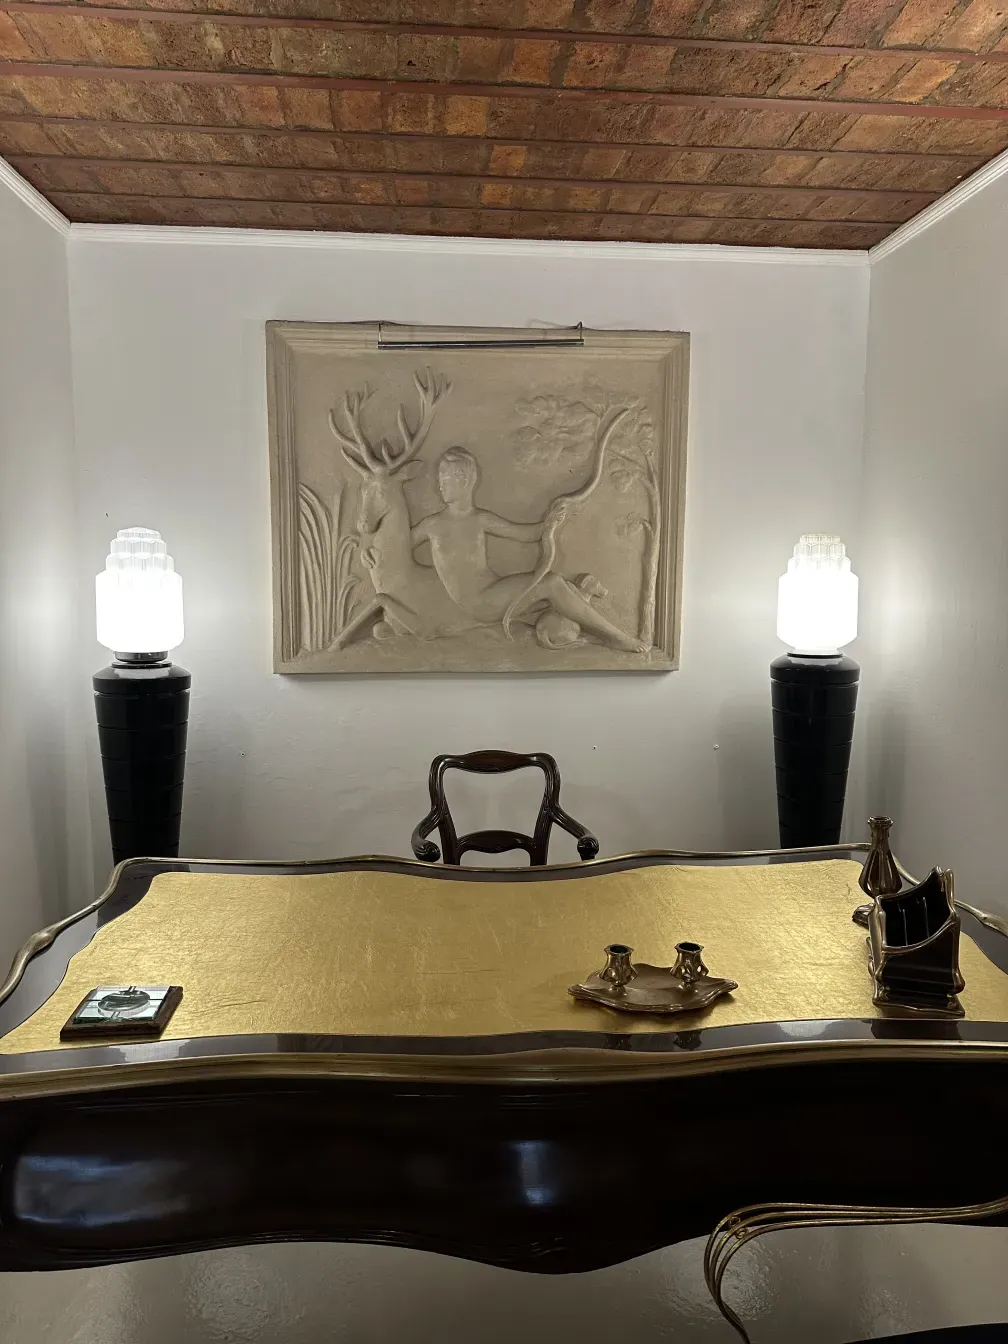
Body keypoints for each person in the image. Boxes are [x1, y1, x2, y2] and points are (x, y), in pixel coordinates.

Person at [409, 447, 644, 652]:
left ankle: (579, 625)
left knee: (560, 586)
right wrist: (373, 554)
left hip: (492, 592)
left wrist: (550, 522)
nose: (439, 485)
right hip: (481, 602)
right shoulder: (433, 525)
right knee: (551, 583)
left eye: (445, 478)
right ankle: (615, 637)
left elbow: (526, 534)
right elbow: (400, 545)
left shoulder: (480, 519)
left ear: (463, 481)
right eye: (440, 478)